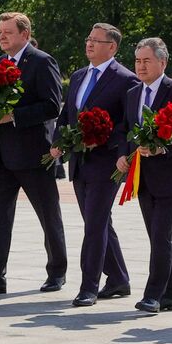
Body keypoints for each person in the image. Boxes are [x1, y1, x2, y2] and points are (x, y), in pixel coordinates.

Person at [0, 13, 68, 296]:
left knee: (48, 216)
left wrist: (14, 116)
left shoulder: (42, 62)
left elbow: (51, 106)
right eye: (0, 32)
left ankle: (57, 272)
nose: (2, 37)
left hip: (33, 154)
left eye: (8, 32)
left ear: (24, 34)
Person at [50, 23, 142, 307]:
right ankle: (119, 279)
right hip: (80, 160)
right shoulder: (78, 76)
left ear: (112, 47)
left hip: (107, 162)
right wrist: (58, 142)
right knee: (97, 222)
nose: (89, 44)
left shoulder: (126, 79)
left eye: (96, 41)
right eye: (88, 39)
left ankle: (89, 285)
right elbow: (66, 114)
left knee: (96, 223)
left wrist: (101, 138)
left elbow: (128, 124)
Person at [116, 38, 172, 314]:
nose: (140, 66)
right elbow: (127, 129)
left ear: (162, 62)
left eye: (146, 61)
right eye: (138, 61)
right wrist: (124, 154)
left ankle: (153, 295)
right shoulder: (132, 93)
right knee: (157, 237)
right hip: (143, 176)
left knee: (162, 235)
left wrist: (163, 146)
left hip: (171, 176)